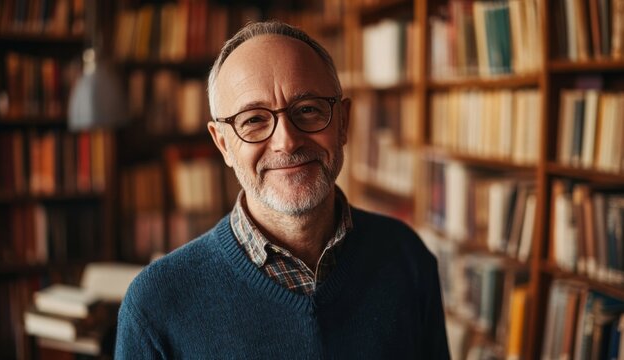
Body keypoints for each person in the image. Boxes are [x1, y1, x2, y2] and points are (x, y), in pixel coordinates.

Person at [115, 21, 450, 359]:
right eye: (253, 120)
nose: (286, 141)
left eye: (307, 110)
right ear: (223, 145)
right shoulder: (155, 305)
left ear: (344, 122)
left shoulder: (407, 258)